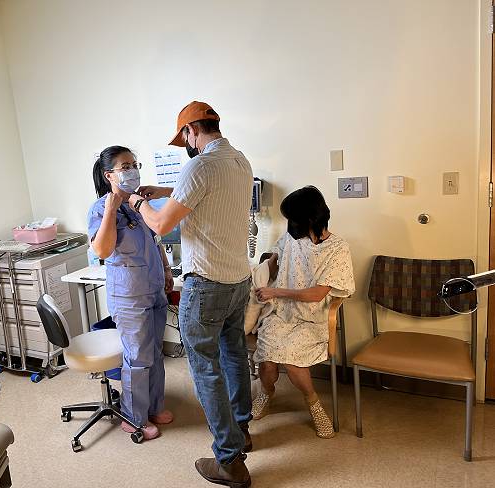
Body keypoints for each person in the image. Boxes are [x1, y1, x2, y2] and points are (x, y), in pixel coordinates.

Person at [129, 101, 253, 488]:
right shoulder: (238, 160)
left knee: (205, 368)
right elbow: (206, 192)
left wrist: (138, 202)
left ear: (190, 132)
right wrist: (166, 188)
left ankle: (230, 460)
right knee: (233, 355)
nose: (185, 143)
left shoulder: (198, 165)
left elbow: (161, 222)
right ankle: (242, 430)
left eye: (183, 136)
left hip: (207, 285)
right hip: (237, 281)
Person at [251, 186, 355, 439]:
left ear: (309, 218)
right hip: (280, 314)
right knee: (267, 361)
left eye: (292, 218)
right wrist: (263, 273)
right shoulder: (290, 239)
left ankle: (314, 403)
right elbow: (273, 267)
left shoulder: (338, 248)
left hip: (312, 318)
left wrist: (276, 293)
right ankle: (266, 393)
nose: (289, 224)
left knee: (292, 359)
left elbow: (318, 294)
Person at [88, 145, 174, 441]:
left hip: (153, 287)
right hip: (129, 294)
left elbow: (155, 239)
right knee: (137, 356)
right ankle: (134, 417)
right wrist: (112, 209)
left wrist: (165, 270)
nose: (132, 170)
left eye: (134, 164)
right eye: (125, 166)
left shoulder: (140, 204)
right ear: (108, 174)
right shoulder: (101, 208)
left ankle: (154, 407)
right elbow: (102, 249)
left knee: (155, 353)